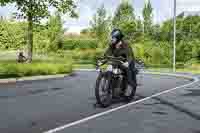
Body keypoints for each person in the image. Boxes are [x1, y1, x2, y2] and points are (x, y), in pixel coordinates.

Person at [104, 28, 137, 96]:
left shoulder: (126, 44)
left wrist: (127, 62)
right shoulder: (112, 45)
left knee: (127, 71)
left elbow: (129, 55)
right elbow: (107, 54)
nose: (111, 39)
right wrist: (102, 60)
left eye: (113, 37)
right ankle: (114, 86)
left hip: (128, 62)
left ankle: (129, 86)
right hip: (118, 61)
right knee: (109, 69)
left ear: (118, 38)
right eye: (111, 37)